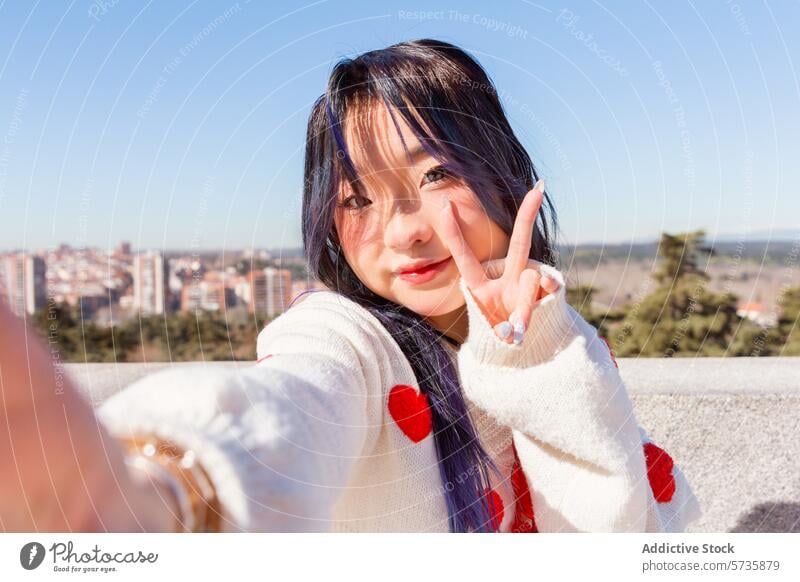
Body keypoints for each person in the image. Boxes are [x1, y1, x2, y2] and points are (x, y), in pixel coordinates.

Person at [0, 38, 701, 533]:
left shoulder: (564, 341)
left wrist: (530, 353)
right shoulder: (350, 340)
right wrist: (162, 490)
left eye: (435, 176)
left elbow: (620, 538)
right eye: (358, 199)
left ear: (504, 172)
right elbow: (293, 402)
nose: (404, 233)